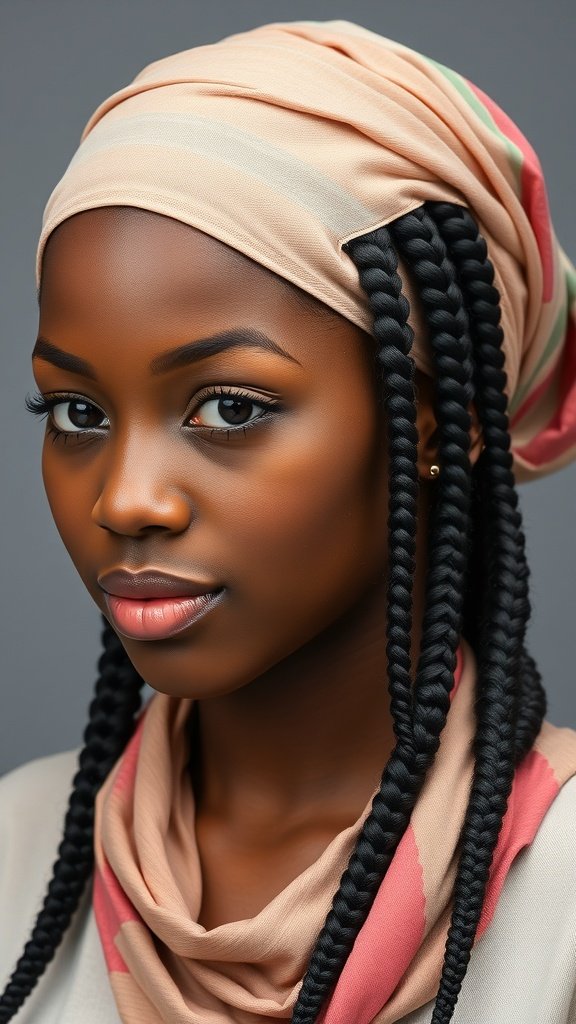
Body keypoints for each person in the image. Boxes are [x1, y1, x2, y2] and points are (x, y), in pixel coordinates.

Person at [1, 18, 576, 1024]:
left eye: (230, 407)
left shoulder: (561, 889)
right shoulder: (16, 846)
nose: (127, 499)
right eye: (78, 412)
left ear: (449, 423)